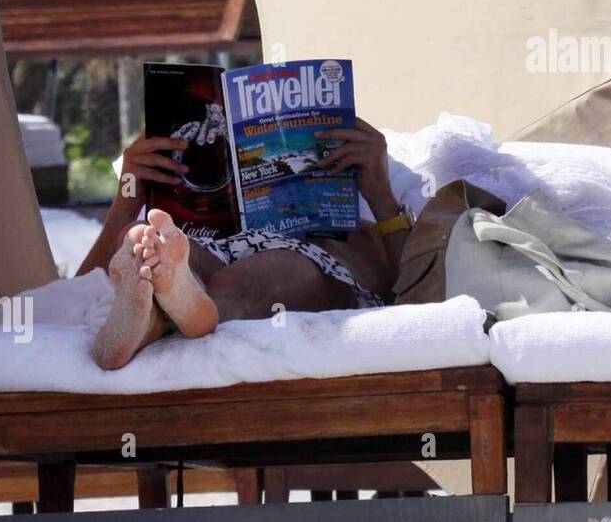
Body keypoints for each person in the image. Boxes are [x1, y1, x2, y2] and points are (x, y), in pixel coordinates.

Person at [81, 118, 408, 369]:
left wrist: (381, 195)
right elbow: (80, 287)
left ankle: (187, 311)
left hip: (310, 261)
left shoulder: (368, 232)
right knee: (163, 244)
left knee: (263, 274)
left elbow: (422, 291)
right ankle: (156, 309)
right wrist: (129, 196)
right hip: (223, 248)